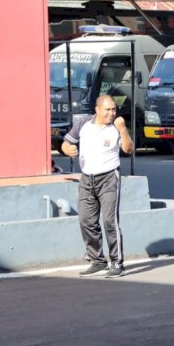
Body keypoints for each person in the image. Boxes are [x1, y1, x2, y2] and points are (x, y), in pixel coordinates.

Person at [62, 95, 134, 278]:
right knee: (86, 220)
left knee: (110, 221)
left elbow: (128, 149)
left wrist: (123, 130)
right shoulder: (84, 123)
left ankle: (117, 263)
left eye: (113, 110)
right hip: (87, 179)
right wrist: (67, 149)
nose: (111, 113)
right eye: (107, 110)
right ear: (97, 109)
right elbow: (66, 142)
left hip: (109, 178)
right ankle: (97, 260)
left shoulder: (116, 128)